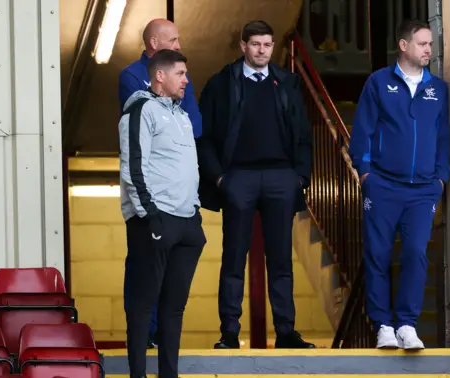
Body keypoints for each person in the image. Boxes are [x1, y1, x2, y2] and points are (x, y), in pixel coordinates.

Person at [196, 20, 314, 349]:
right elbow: (203, 137)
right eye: (256, 45)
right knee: (233, 257)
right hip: (238, 178)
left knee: (280, 260)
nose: (262, 51)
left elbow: (304, 135)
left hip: (281, 178)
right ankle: (230, 333)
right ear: (243, 46)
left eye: (267, 45)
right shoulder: (221, 83)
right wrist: (220, 177)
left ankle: (286, 332)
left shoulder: (287, 82)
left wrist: (299, 178)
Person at [348, 19, 450, 350]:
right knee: (377, 254)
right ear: (404, 46)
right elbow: (362, 131)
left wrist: (440, 177)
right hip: (383, 185)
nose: (428, 50)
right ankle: (383, 326)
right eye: (422, 44)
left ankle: (407, 324)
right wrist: (365, 173)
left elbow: (444, 137)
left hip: (423, 189)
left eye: (431, 45)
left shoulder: (438, 88)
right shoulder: (378, 83)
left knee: (415, 252)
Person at [118, 49, 206, 378]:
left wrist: (194, 212)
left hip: (186, 223)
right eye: (181, 74)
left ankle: (169, 374)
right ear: (160, 76)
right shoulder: (141, 111)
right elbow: (133, 166)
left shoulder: (182, 116)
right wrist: (149, 215)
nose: (186, 80)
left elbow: (186, 169)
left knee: (174, 307)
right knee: (142, 304)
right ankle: (138, 375)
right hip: (155, 220)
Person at [119, 18, 202, 137]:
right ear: (154, 43)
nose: (178, 46)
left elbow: (195, 125)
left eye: (178, 40)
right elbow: (142, 126)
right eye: (173, 40)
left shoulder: (182, 74)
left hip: (184, 152)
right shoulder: (132, 75)